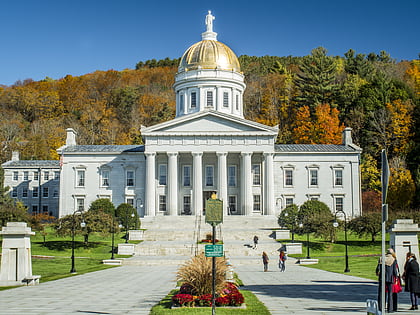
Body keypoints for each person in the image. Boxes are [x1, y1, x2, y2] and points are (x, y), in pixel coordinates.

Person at [376, 248, 399, 312]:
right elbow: (394, 271)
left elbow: (377, 268)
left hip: (382, 278)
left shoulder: (381, 258)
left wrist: (377, 273)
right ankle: (390, 308)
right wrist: (396, 278)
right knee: (390, 294)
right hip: (390, 278)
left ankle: (380, 307)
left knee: (381, 293)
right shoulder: (393, 259)